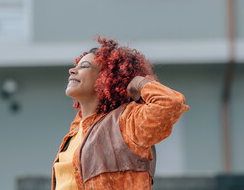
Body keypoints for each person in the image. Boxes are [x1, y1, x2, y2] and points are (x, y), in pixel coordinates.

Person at [52, 36, 189, 190]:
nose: (72, 70)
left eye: (84, 66)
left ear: (105, 77)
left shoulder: (126, 122)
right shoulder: (75, 131)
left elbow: (171, 104)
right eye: (75, 66)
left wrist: (139, 82)